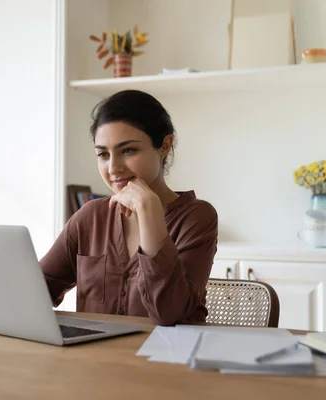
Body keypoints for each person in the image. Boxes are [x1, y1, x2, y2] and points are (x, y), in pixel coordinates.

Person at [39, 89, 218, 326]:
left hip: (165, 360)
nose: (113, 168)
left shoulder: (197, 217)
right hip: (92, 359)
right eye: (103, 154)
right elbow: (35, 290)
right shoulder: (90, 217)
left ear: (164, 146)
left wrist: (149, 210)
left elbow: (170, 315)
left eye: (128, 150)